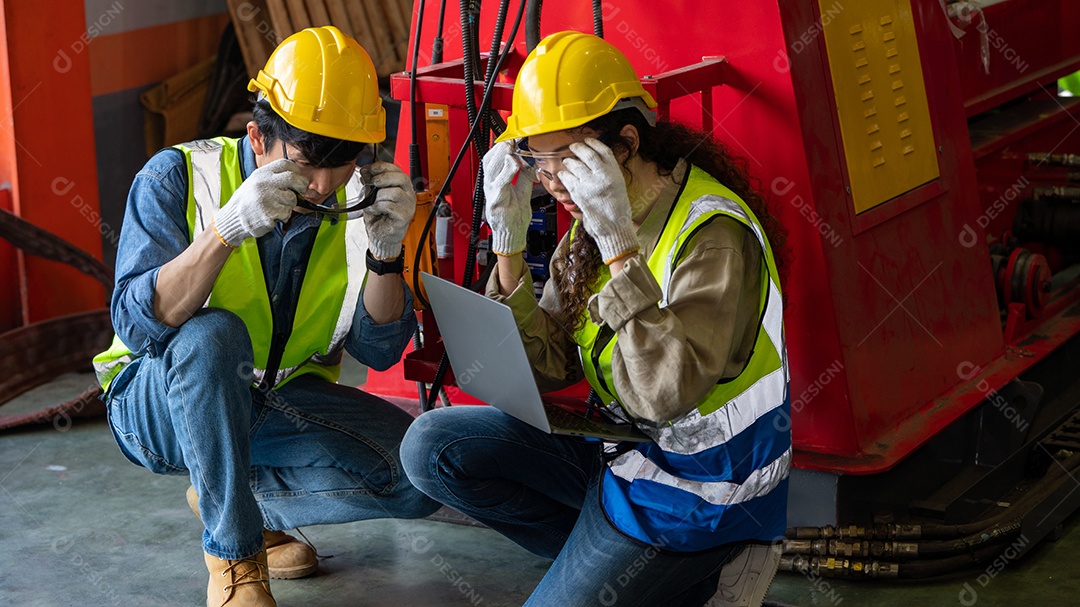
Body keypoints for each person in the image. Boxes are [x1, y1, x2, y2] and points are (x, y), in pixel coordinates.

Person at [401, 31, 791, 607]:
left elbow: (664, 395)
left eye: (564, 159)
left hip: (702, 489)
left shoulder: (712, 236)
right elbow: (552, 365)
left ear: (626, 143)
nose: (550, 180)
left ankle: (682, 574)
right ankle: (644, 581)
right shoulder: (597, 220)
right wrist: (506, 244)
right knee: (431, 446)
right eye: (536, 158)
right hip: (622, 451)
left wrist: (620, 248)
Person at [93, 26, 439, 607]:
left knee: (417, 474)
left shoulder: (355, 202)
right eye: (306, 164)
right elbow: (136, 324)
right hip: (157, 405)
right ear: (257, 137)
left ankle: (227, 494)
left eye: (344, 162)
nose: (325, 186)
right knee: (212, 335)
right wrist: (224, 232)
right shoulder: (176, 177)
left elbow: (379, 352)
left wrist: (387, 251)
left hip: (275, 403)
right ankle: (234, 556)